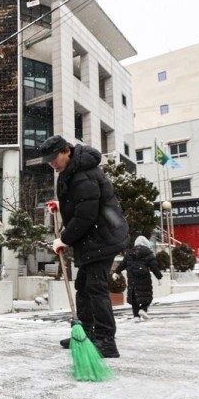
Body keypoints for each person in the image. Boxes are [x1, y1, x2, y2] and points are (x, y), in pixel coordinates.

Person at [44, 135, 129, 358]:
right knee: (84, 286)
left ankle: (106, 341)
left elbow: (86, 214)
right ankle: (86, 333)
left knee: (95, 287)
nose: (52, 163)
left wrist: (64, 239)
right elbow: (82, 201)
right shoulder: (75, 170)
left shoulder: (83, 174)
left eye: (54, 158)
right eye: (48, 160)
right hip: (95, 237)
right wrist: (61, 204)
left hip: (102, 237)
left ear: (66, 151)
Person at [114, 235, 163, 322]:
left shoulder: (129, 253)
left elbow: (123, 264)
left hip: (132, 279)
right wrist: (159, 277)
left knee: (134, 297)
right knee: (146, 295)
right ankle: (143, 310)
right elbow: (154, 266)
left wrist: (117, 272)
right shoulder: (148, 253)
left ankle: (136, 316)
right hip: (144, 279)